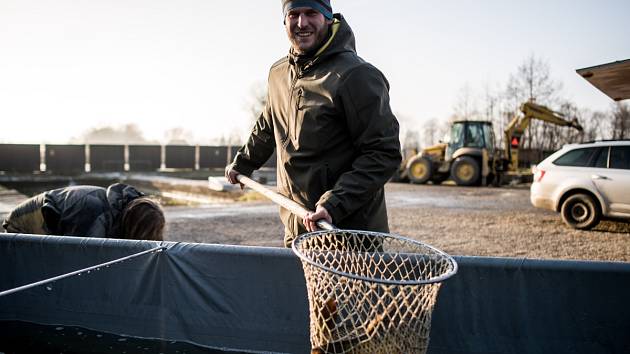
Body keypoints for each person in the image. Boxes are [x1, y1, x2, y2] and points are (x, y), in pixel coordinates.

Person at [225, 0, 402, 247]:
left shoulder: (356, 76)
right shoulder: (278, 73)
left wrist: (334, 203)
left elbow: (384, 153)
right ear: (284, 21)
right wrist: (244, 162)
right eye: (293, 14)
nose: (302, 23)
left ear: (328, 18)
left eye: (311, 13)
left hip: (348, 235)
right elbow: (269, 122)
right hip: (298, 228)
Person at [2, 183, 165, 241]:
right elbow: (78, 257)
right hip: (21, 227)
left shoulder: (118, 206)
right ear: (134, 224)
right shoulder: (94, 215)